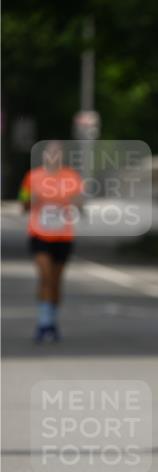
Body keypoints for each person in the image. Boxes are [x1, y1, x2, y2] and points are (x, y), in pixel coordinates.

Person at [18, 140, 84, 342]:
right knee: (45, 276)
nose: (53, 157)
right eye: (50, 153)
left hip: (63, 236)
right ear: (44, 156)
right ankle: (43, 323)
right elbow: (23, 203)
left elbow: (81, 204)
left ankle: (52, 321)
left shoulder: (71, 177)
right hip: (40, 234)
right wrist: (31, 201)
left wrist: (76, 202)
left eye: (57, 153)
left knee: (56, 281)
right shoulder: (33, 177)